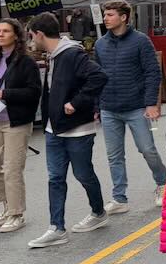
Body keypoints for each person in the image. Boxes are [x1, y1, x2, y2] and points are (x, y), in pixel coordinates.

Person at [26, 13, 109, 248]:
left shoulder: (72, 54)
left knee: (83, 174)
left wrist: (76, 103)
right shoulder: (54, 56)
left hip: (77, 129)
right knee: (55, 178)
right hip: (55, 129)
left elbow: (99, 77)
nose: (32, 39)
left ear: (39, 34)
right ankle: (57, 228)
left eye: (32, 35)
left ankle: (98, 212)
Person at [94, 1, 166, 214]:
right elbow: (97, 76)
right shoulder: (100, 44)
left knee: (147, 149)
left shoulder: (141, 41)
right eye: (105, 15)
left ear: (124, 17)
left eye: (110, 15)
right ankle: (119, 197)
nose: (105, 18)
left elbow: (152, 73)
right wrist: (96, 105)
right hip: (109, 107)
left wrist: (151, 104)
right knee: (114, 155)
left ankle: (162, 183)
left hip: (136, 107)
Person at [0, 18, 41, 235]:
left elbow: (34, 92)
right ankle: (6, 204)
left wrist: (5, 93)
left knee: (12, 169)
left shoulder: (26, 62)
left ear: (16, 35)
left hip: (17, 121)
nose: (0, 35)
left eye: (5, 31)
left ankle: (16, 213)